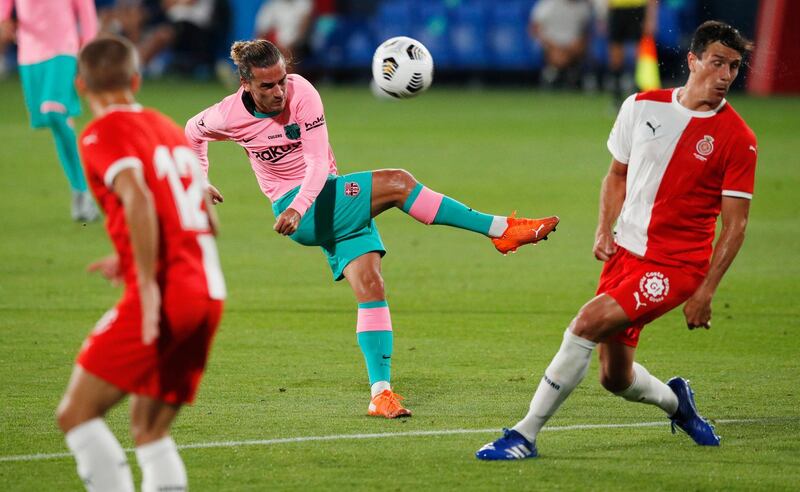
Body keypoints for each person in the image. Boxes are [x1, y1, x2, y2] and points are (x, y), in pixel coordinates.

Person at [185, 39, 559, 419]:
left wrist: (301, 206)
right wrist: (200, 178)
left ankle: (380, 393)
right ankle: (500, 229)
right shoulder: (227, 114)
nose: (279, 90)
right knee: (398, 182)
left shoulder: (303, 94)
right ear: (246, 83)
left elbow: (316, 163)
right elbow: (191, 132)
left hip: (323, 196)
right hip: (297, 210)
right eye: (267, 86)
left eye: (281, 80)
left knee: (371, 289)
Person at [477, 20, 756, 460]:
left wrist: (705, 290)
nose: (725, 76)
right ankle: (676, 402)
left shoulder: (738, 139)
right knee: (614, 376)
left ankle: (523, 434)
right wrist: (603, 227)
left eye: (734, 67)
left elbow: (735, 226)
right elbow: (616, 175)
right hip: (625, 255)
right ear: (693, 60)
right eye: (717, 63)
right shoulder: (641, 106)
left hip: (675, 267)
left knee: (585, 323)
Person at [56, 35, 226, 490]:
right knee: (149, 430)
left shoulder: (100, 132)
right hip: (208, 293)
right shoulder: (168, 128)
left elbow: (137, 195)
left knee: (76, 413)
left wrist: (148, 283)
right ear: (135, 79)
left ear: (79, 85)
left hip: (165, 295)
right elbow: (206, 217)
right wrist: (129, 252)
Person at [0, 0, 100, 221]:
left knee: (53, 110)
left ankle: (84, 188)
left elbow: (86, 9)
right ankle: (81, 192)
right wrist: (4, 19)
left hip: (63, 48)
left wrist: (88, 45)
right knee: (57, 122)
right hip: (29, 52)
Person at [528, 0, 593, 89]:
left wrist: (576, 46)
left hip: (573, 48)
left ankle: (571, 77)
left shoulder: (583, 8)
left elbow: (587, 33)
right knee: (557, 55)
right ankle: (554, 75)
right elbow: (534, 29)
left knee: (581, 49)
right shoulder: (547, 5)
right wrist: (551, 46)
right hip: (551, 46)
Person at [606, 0, 658, 105]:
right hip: (617, 8)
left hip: (637, 7)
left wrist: (651, 17)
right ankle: (617, 96)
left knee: (639, 53)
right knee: (616, 54)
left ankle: (638, 92)